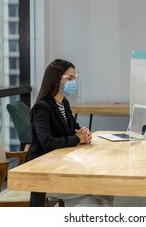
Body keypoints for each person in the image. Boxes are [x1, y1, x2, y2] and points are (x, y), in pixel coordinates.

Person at [26, 59, 113, 207]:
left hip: (60, 165)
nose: (73, 82)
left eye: (74, 78)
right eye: (69, 78)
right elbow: (47, 142)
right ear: (56, 80)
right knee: (94, 199)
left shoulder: (63, 103)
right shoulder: (42, 108)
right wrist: (77, 139)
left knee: (106, 191)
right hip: (43, 172)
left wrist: (83, 132)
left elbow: (74, 127)